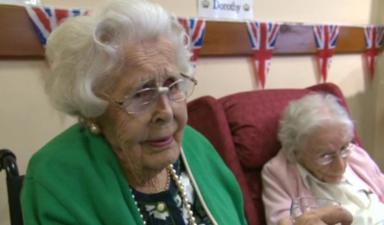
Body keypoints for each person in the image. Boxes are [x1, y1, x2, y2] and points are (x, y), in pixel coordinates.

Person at [20, 1, 248, 225]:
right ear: (93, 108)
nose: (166, 112)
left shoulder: (198, 147)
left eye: (173, 85)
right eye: (142, 93)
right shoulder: (57, 178)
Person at [262, 93, 384, 225]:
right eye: (325, 156)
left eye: (343, 148)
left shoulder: (355, 154)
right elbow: (283, 222)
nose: (340, 166)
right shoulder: (279, 173)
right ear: (296, 151)